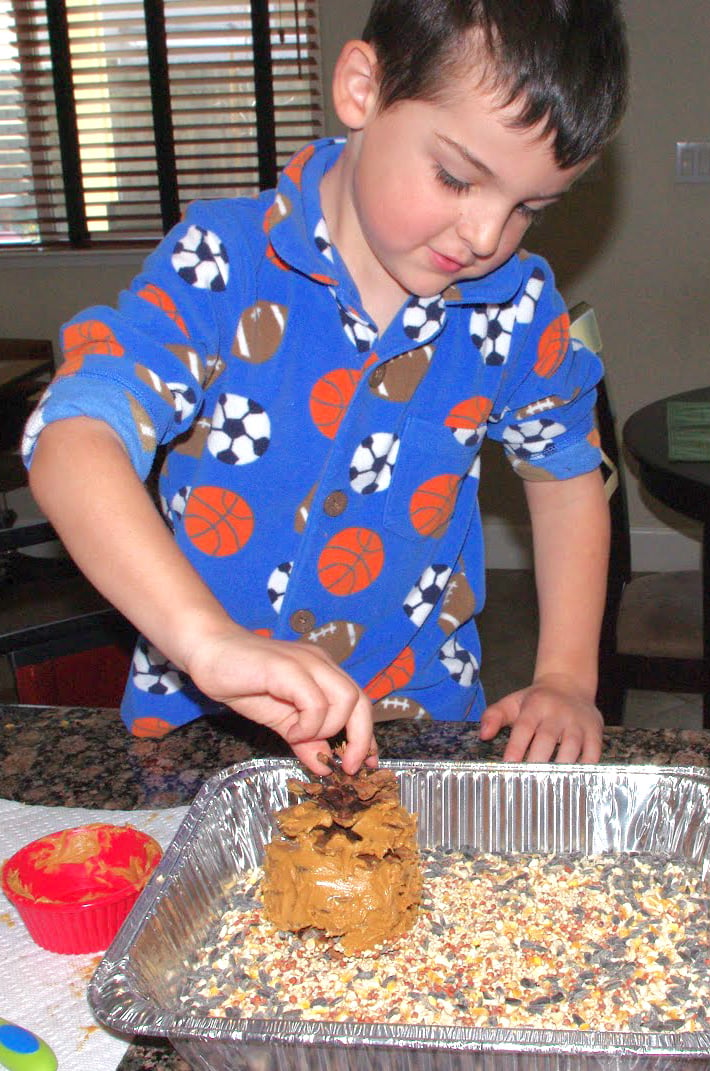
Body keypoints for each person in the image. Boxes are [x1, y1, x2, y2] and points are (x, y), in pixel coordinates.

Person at [23, 0, 628, 776]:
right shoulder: (223, 264)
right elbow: (72, 435)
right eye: (454, 177)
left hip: (417, 724)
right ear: (361, 89)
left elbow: (566, 474)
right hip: (203, 724)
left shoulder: (516, 312)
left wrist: (567, 678)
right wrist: (207, 641)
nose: (485, 236)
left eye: (527, 210)